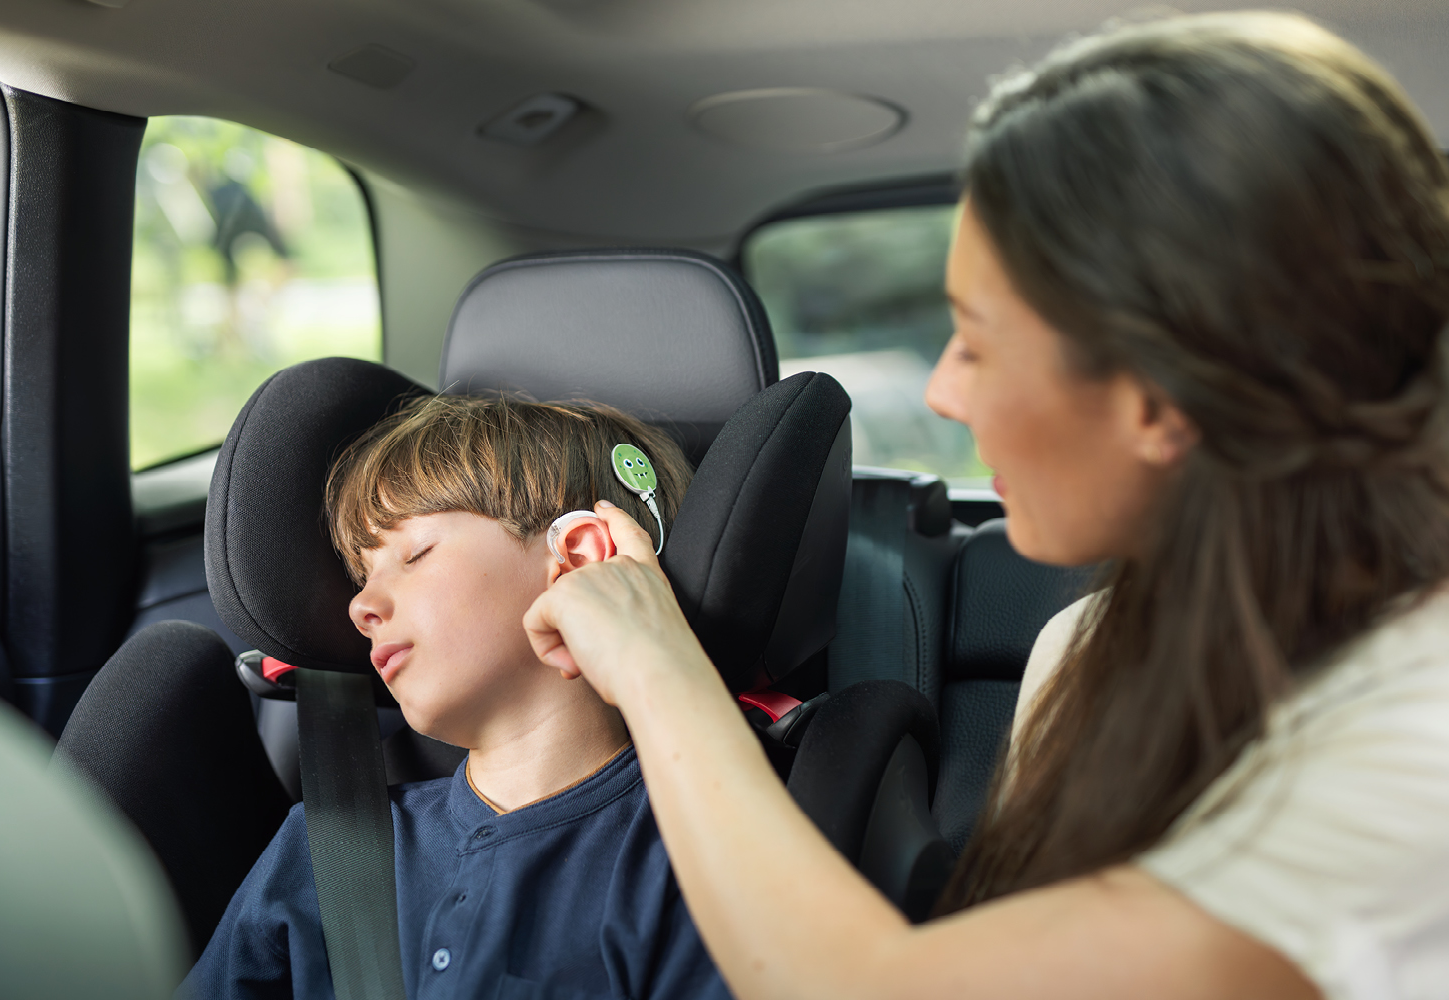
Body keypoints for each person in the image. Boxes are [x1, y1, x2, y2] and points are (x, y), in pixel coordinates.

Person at [523, 12, 1449, 1000]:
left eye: (976, 339)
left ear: (1154, 392)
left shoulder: (1418, 743)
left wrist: (652, 657)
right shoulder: (1084, 646)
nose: (944, 394)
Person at [181, 394, 731, 1000]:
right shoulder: (330, 845)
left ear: (579, 558)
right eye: (363, 577)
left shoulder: (696, 853)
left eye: (415, 554)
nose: (360, 607)